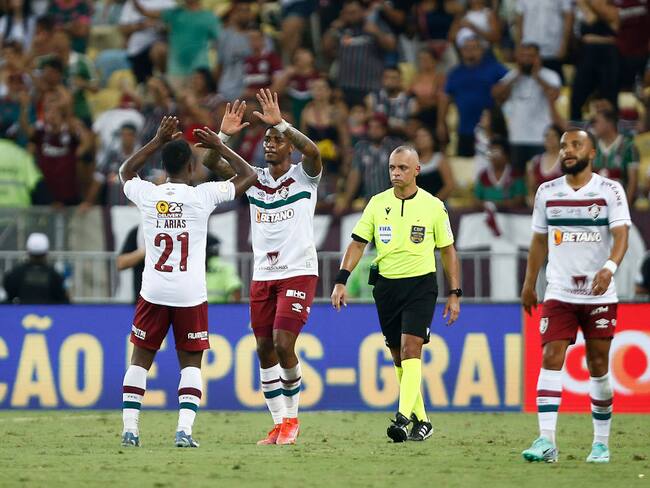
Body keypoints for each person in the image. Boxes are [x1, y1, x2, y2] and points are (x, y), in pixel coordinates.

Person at [118, 115, 257, 448]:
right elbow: (249, 176)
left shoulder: (148, 195)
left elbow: (125, 172)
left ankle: (130, 430)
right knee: (191, 363)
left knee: (139, 360)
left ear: (163, 165)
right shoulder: (202, 197)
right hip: (189, 294)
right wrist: (220, 145)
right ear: (193, 169)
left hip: (153, 290)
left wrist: (156, 141)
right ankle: (184, 431)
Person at [203, 91, 322, 445]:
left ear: (289, 148)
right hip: (263, 275)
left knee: (284, 343)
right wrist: (224, 136)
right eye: (267, 140)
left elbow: (314, 152)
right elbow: (212, 161)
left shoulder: (305, 177)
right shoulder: (253, 178)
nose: (269, 144)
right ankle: (277, 423)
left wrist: (282, 123)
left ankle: (293, 420)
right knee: (263, 347)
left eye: (276, 141)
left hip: (298, 270)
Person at [331, 145, 461, 443]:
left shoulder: (433, 205)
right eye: (392, 167)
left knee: (411, 349)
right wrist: (341, 280)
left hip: (421, 285)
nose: (395, 173)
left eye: (402, 168)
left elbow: (447, 250)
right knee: (397, 356)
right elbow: (358, 243)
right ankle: (423, 420)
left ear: (417, 170)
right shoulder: (377, 203)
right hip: (387, 287)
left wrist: (455, 292)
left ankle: (402, 418)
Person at [521, 128, 631, 464]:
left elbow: (621, 235)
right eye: (565, 145)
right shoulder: (546, 192)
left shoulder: (610, 190)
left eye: (576, 145)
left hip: (599, 295)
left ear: (592, 152)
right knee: (551, 355)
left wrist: (609, 268)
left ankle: (600, 443)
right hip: (559, 292)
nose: (567, 151)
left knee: (598, 366)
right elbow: (539, 241)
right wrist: (529, 284)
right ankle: (546, 440)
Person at [3, 232, 70, 304]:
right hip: (49, 314)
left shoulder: (16, 273)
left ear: (28, 251)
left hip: (22, 314)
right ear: (46, 253)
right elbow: (64, 300)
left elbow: (9, 295)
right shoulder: (55, 275)